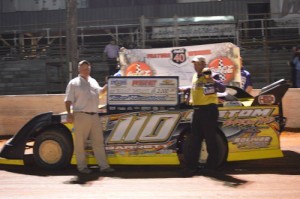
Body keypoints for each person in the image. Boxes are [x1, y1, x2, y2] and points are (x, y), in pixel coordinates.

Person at [64, 60, 115, 174]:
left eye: (88, 68)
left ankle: (104, 166)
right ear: (79, 69)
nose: (86, 70)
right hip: (81, 115)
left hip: (94, 115)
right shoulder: (74, 83)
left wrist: (108, 84)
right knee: (80, 143)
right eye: (84, 68)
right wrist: (69, 113)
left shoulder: (93, 81)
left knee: (98, 142)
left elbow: (100, 93)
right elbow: (68, 100)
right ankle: (82, 167)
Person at [183, 56, 226, 177]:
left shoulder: (211, 75)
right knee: (194, 140)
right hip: (197, 111)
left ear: (203, 64)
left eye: (197, 64)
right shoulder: (194, 77)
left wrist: (213, 81)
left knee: (210, 139)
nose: (195, 66)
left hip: (208, 110)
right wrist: (187, 90)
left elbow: (222, 88)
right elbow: (196, 89)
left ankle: (211, 167)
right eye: (194, 64)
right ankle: (192, 167)